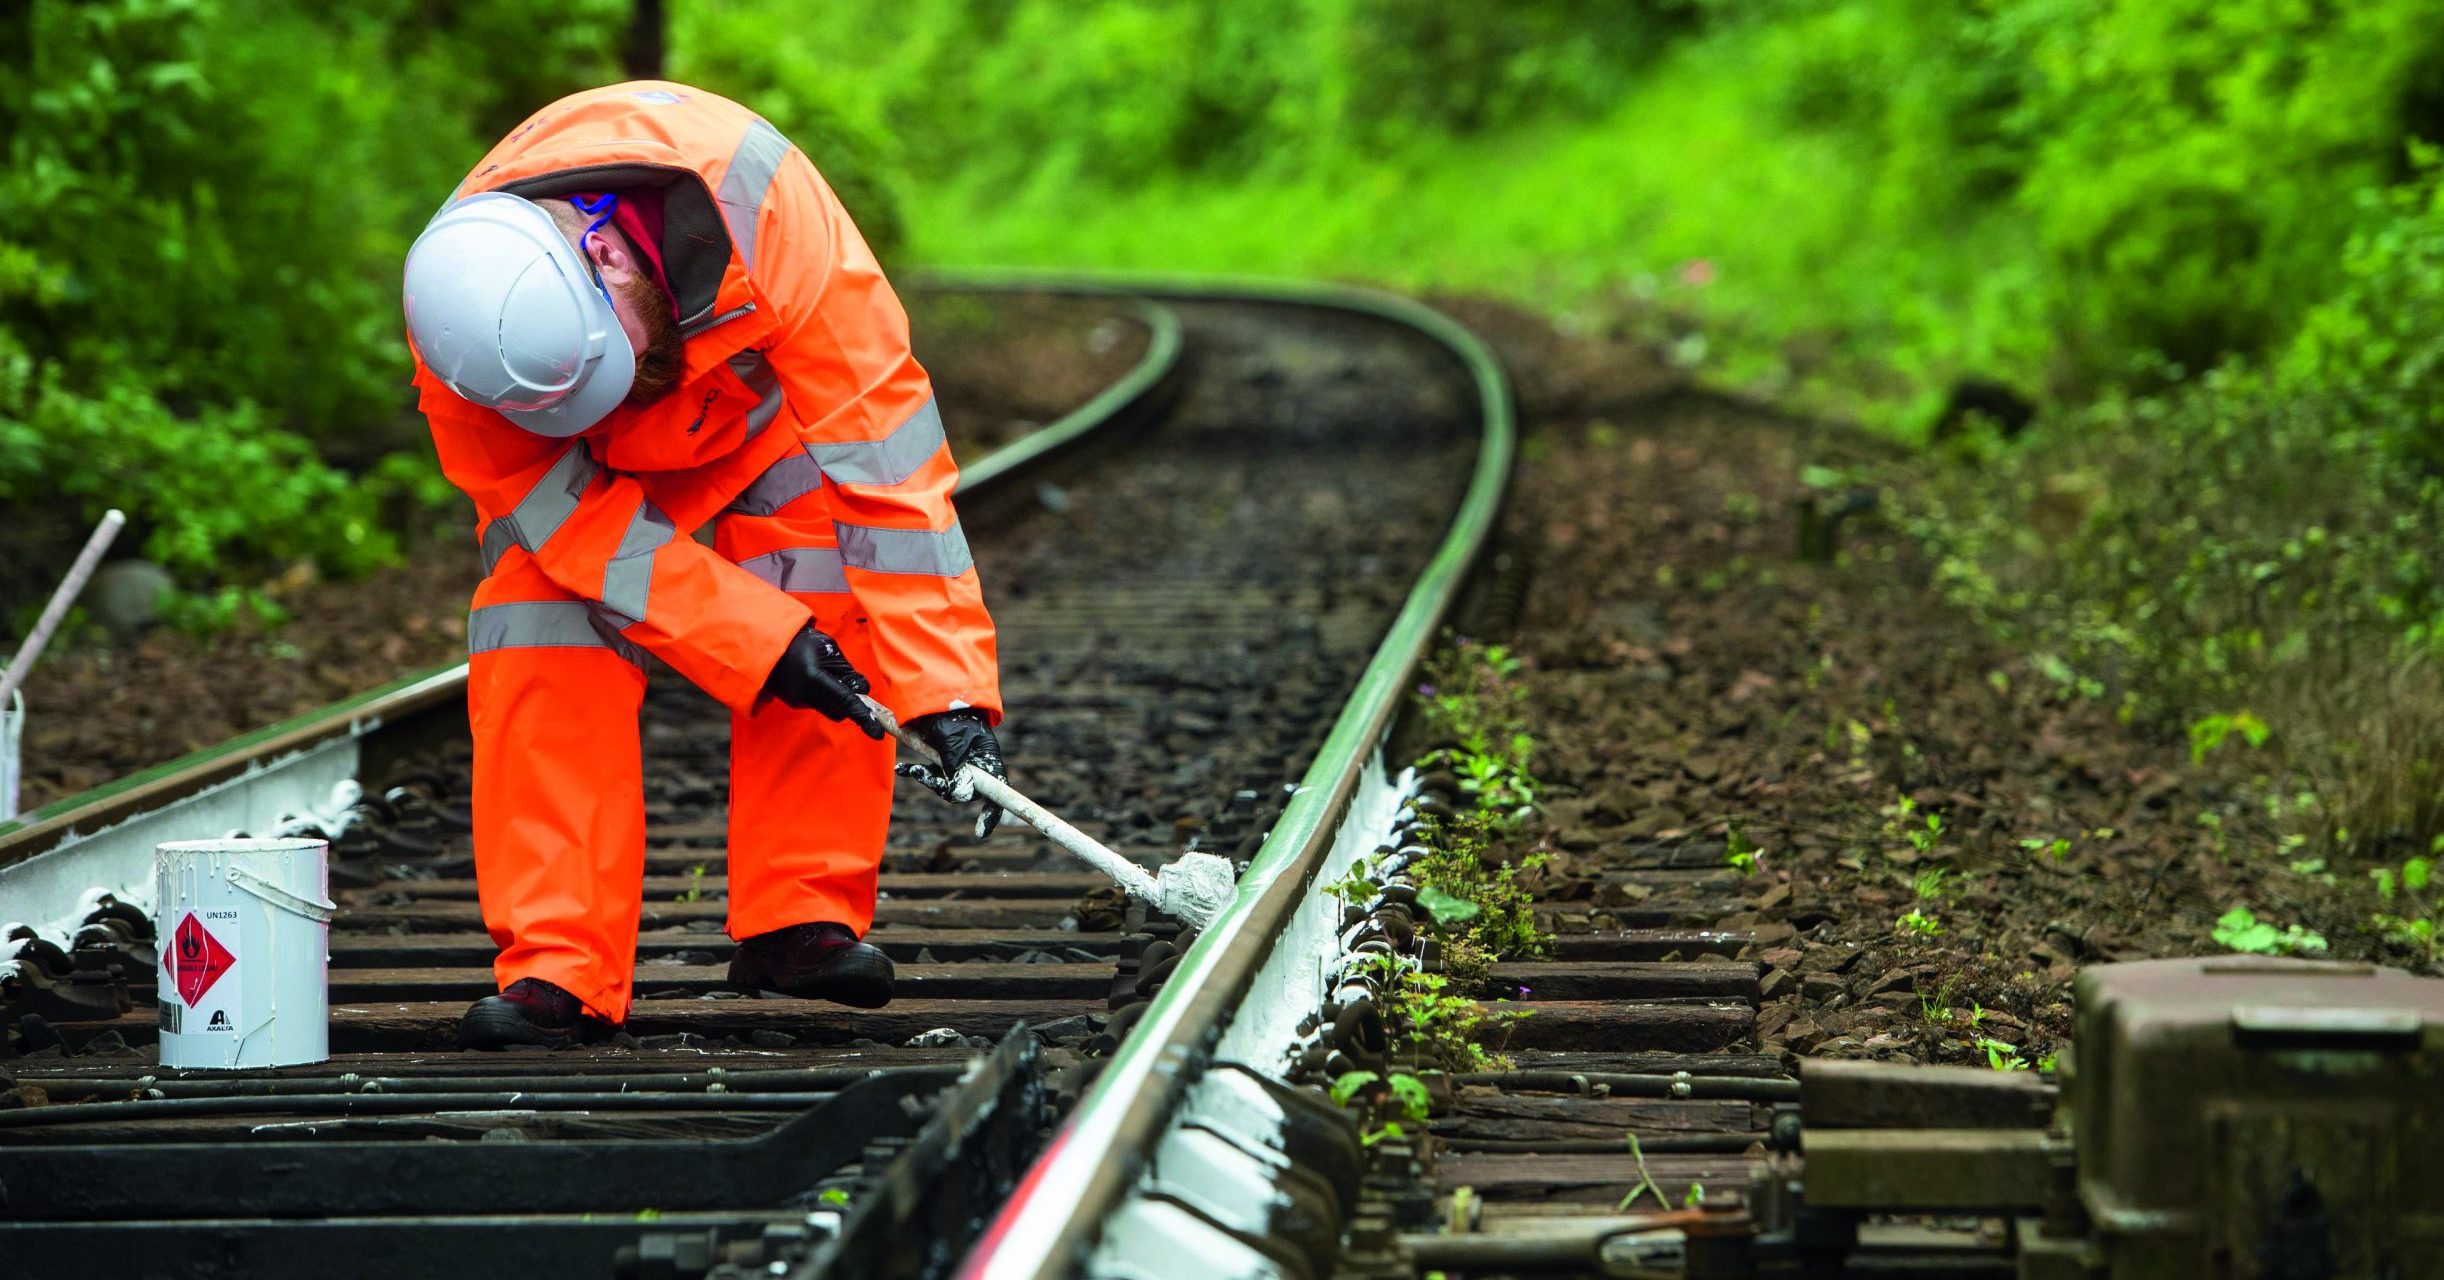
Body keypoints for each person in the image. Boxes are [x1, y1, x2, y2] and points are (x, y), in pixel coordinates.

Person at [401, 82, 1007, 1049]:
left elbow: (887, 462)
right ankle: (558, 966)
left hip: (760, 440)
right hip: (584, 493)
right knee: (534, 613)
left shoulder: (764, 206)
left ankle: (796, 919)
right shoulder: (464, 331)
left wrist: (950, 693)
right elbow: (571, 528)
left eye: (616, 367)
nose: (613, 397)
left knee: (828, 568)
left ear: (608, 250)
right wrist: (760, 645)